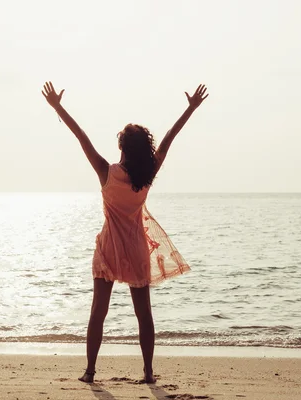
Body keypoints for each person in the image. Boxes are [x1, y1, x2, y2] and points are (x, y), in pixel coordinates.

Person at [41, 81, 209, 384]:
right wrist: (190, 108)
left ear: (122, 148)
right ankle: (147, 373)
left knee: (98, 312)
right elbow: (170, 137)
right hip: (136, 248)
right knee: (143, 314)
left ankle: (90, 372)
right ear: (144, 150)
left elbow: (81, 137)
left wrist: (57, 107)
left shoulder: (107, 172)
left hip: (109, 249)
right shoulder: (148, 173)